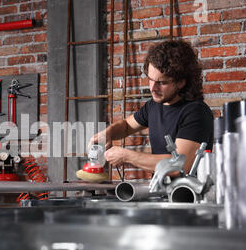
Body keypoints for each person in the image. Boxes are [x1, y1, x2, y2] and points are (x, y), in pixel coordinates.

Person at [89, 39, 213, 175]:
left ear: (181, 82)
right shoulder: (153, 106)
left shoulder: (196, 112)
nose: (153, 88)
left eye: (161, 82)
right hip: (161, 192)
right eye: (150, 79)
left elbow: (179, 166)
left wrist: (126, 156)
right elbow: (126, 126)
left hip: (190, 194)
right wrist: (107, 134)